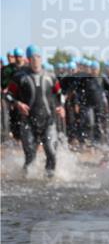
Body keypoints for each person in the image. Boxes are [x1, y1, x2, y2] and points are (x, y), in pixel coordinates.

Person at [5, 45, 63, 176]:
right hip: (28, 122)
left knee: (51, 153)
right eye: (32, 57)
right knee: (30, 157)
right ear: (28, 59)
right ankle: (27, 182)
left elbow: (59, 94)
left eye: (37, 57)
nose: (35, 60)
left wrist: (61, 107)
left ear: (41, 58)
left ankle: (49, 181)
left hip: (49, 121)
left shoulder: (51, 76)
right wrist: (17, 103)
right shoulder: (20, 77)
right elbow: (8, 95)